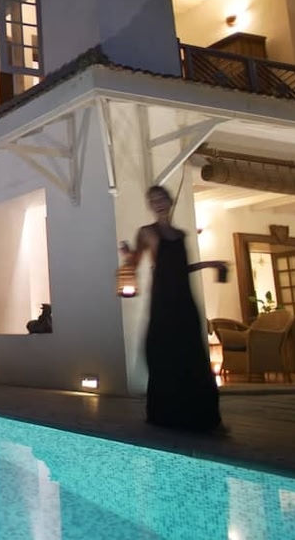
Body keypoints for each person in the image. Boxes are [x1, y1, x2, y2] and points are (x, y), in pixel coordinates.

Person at [120, 185, 228, 434]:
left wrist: (211, 263)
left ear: (169, 201)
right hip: (163, 300)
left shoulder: (181, 234)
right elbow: (136, 261)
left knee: (192, 352)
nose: (158, 203)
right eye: (153, 200)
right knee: (163, 350)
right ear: (150, 206)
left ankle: (201, 415)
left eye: (161, 199)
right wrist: (128, 255)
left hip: (184, 299)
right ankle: (166, 413)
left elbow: (181, 268)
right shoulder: (147, 232)